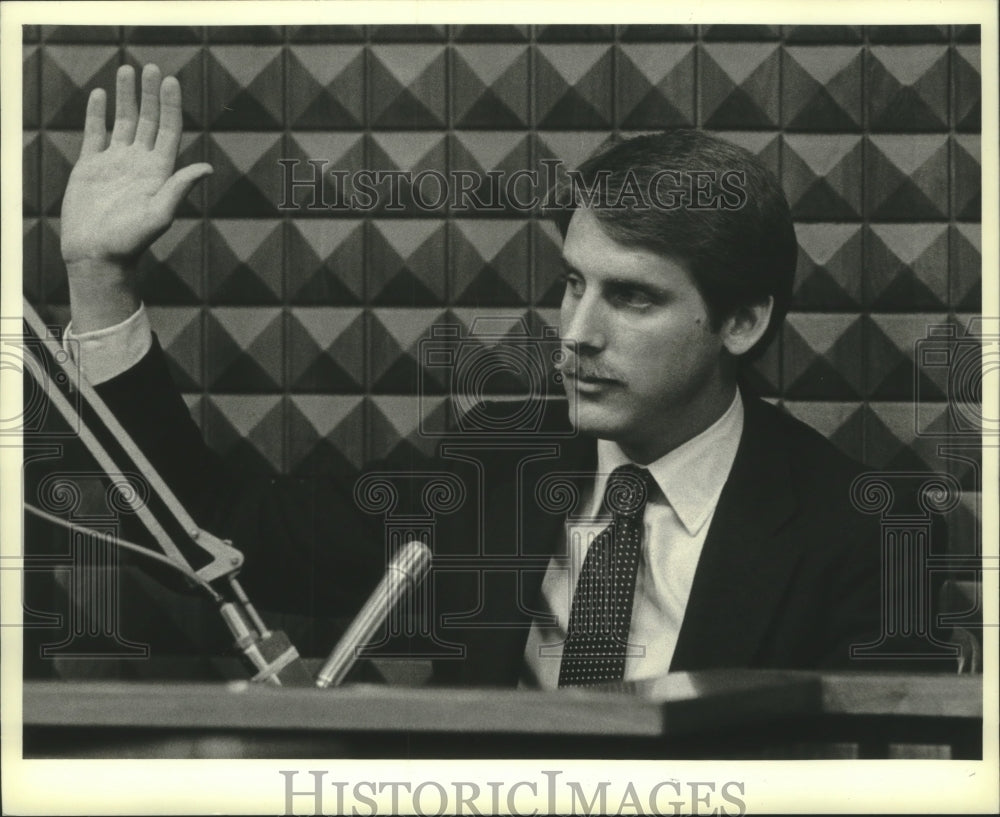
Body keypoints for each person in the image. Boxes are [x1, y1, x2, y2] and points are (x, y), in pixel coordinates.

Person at [57, 64, 951, 688]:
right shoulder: (494, 459)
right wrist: (101, 280)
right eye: (572, 283)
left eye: (632, 299)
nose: (577, 332)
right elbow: (213, 532)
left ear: (743, 321)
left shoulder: (865, 530)